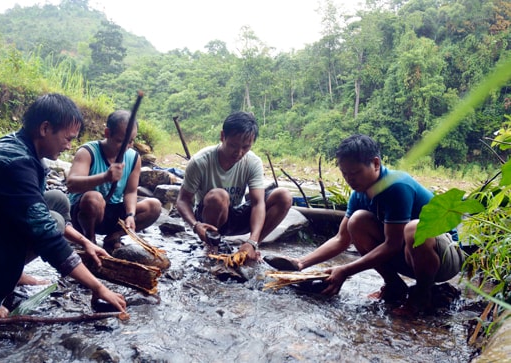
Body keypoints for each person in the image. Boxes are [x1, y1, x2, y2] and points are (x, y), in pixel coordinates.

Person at [0, 93, 126, 318]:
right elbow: (45, 233)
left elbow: (35, 208)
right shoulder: (15, 163)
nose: (69, 146)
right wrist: (98, 287)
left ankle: (11, 273)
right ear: (45, 129)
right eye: (67, 139)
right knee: (54, 223)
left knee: (57, 199)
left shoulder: (24, 148)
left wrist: (85, 242)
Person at [264, 134, 464, 314]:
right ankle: (394, 286)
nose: (350, 179)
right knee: (357, 221)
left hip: (446, 258)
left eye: (355, 172)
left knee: (413, 229)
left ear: (375, 163)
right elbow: (341, 239)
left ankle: (422, 296)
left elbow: (392, 244)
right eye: (345, 174)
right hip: (409, 257)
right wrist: (301, 263)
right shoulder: (359, 193)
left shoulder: (396, 187)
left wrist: (345, 270)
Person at [176, 111, 293, 261]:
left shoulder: (253, 162)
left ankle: (252, 247)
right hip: (208, 219)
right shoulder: (200, 161)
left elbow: (258, 203)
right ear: (222, 136)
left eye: (246, 147)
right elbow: (182, 200)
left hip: (236, 216)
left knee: (284, 196)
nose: (239, 153)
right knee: (219, 196)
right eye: (233, 146)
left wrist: (253, 241)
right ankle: (212, 245)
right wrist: (195, 225)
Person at [66, 110, 162, 252]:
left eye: (130, 141)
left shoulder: (134, 158)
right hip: (84, 212)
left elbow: (131, 191)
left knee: (154, 206)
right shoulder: (87, 152)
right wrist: (105, 177)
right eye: (120, 141)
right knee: (94, 197)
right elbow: (71, 184)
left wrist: (130, 214)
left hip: (112, 211)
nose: (126, 146)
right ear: (107, 133)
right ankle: (89, 239)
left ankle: (112, 238)